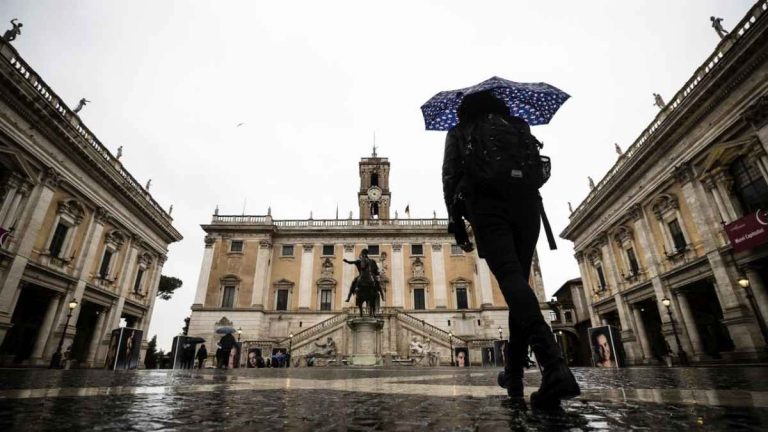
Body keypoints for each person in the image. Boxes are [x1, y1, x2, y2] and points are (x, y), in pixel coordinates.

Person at [442, 91, 579, 407]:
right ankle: (514, 374)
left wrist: (455, 221)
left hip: (487, 207)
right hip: (528, 207)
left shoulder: (460, 130)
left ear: (465, 109)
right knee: (520, 286)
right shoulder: (518, 124)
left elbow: (450, 177)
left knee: (510, 279)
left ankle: (555, 366)